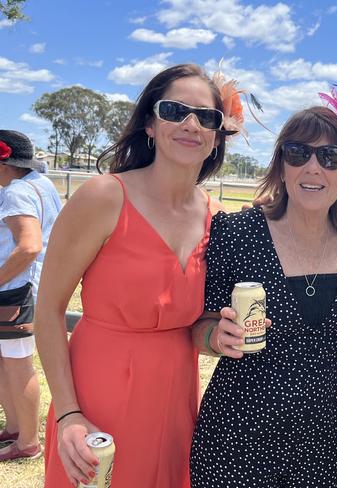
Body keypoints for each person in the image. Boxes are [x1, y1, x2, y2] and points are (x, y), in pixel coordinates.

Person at [35, 64, 231, 487]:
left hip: (176, 398)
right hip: (96, 394)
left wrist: (220, 335)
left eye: (206, 116)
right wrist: (68, 412)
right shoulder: (105, 197)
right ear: (149, 122)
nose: (191, 123)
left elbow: (203, 322)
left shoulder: (218, 219)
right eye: (174, 110)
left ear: (216, 136)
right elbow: (48, 309)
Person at [189, 95, 337, 488]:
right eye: (298, 153)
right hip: (237, 441)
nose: (313, 167)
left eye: (330, 156)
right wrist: (215, 336)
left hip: (323, 447)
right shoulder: (237, 233)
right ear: (281, 164)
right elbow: (198, 325)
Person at [0, 130, 61, 462]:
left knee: (17, 364)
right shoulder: (41, 184)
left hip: (15, 290)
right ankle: (15, 428)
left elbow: (29, 245)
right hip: (28, 286)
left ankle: (26, 442)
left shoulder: (17, 192)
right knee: (9, 362)